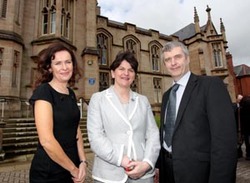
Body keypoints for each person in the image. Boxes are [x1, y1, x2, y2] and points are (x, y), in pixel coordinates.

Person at [156, 41, 237, 183]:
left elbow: (224, 143)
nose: (173, 63)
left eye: (177, 57)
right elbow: (166, 135)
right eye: (168, 59)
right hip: (168, 172)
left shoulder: (210, 86)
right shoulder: (167, 95)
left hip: (198, 173)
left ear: (187, 59)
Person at [87, 51, 160, 183]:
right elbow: (96, 138)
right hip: (108, 175)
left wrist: (147, 163)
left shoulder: (143, 101)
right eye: (121, 69)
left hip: (142, 174)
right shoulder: (98, 99)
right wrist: (122, 159)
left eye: (131, 70)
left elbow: (153, 135)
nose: (126, 73)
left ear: (134, 75)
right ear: (113, 73)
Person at [29, 42, 87, 183]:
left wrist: (83, 161)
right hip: (49, 172)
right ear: (49, 68)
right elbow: (47, 141)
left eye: (68, 62)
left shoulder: (71, 93)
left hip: (72, 167)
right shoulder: (44, 92)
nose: (64, 67)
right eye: (58, 63)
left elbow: (76, 129)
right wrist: (73, 169)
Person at [240, 95, 250, 160]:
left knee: (247, 140)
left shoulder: (241, 109)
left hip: (245, 128)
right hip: (246, 126)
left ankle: (248, 154)